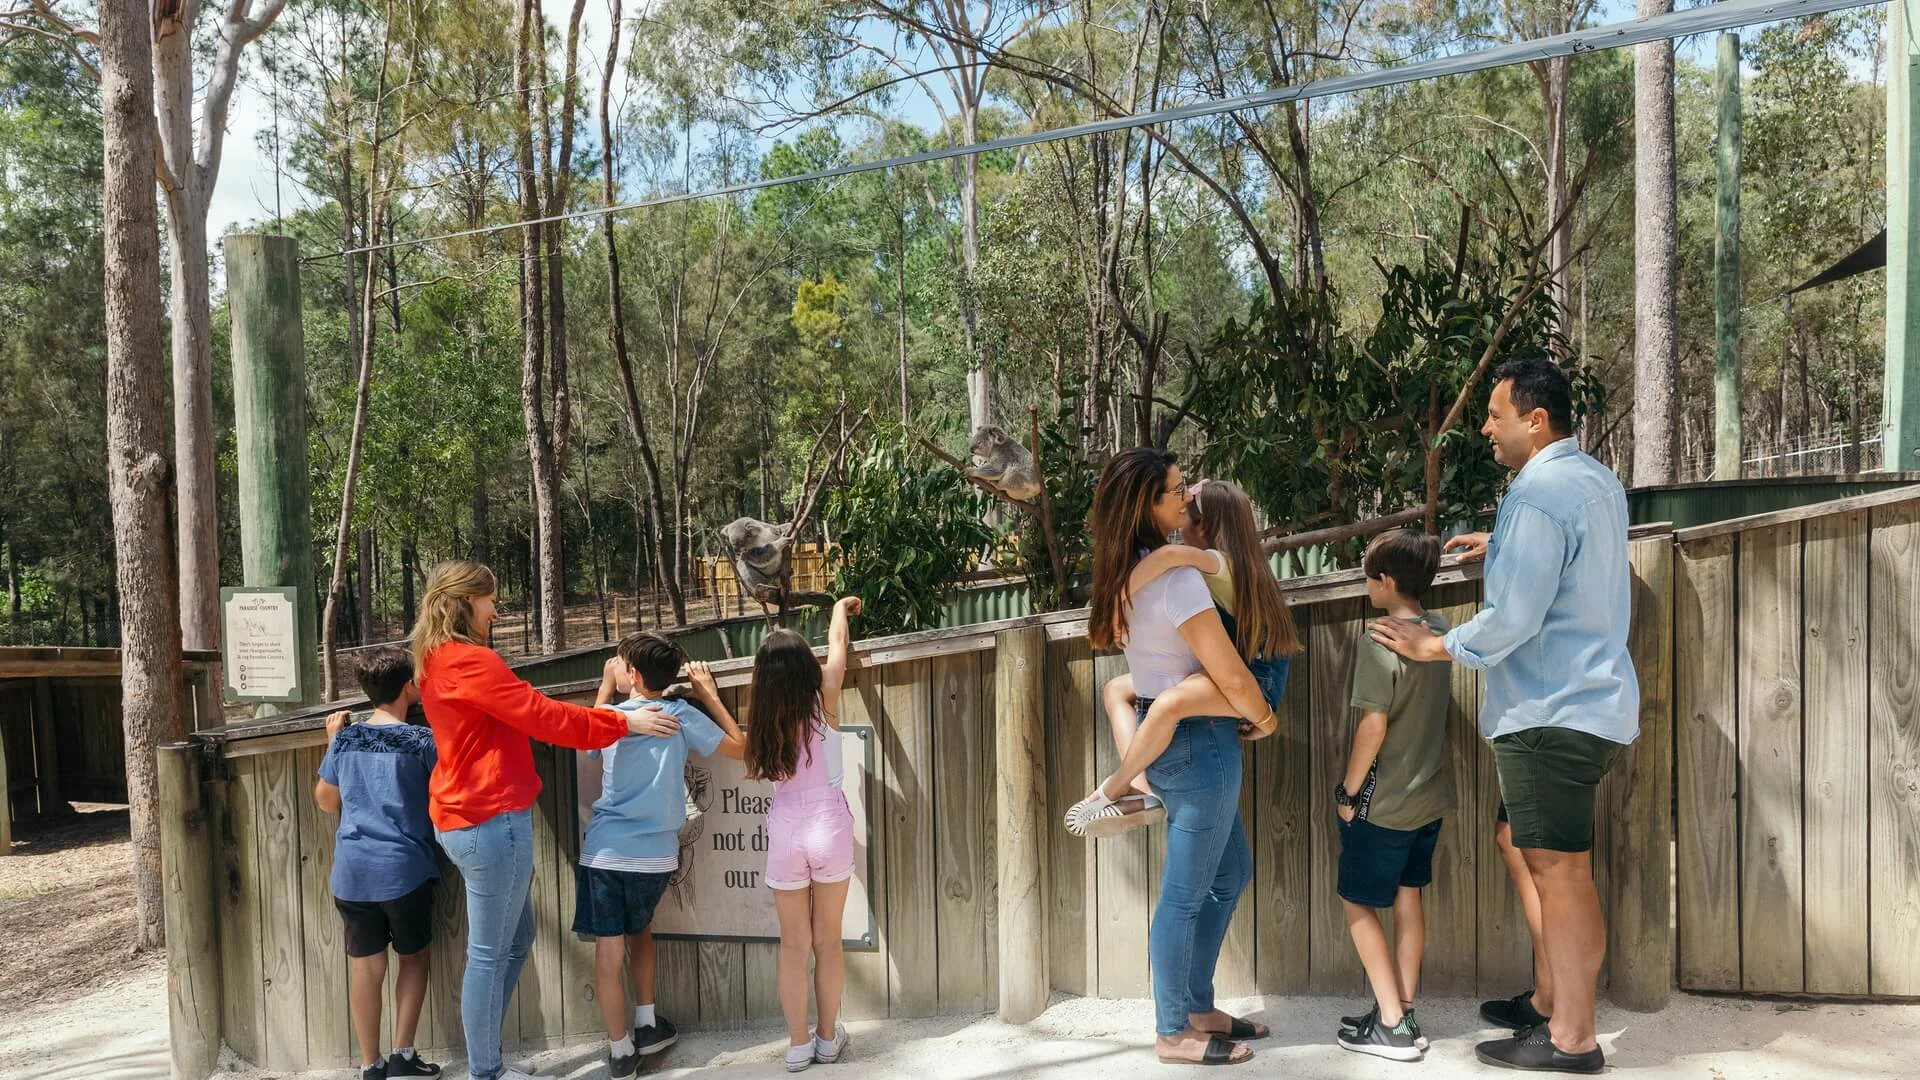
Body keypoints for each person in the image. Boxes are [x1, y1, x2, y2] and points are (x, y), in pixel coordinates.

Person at [1370, 358, 1638, 1075]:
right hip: (1583, 703)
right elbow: (1570, 561)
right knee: (1517, 840)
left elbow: (1514, 614)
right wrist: (1506, 545)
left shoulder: (1539, 494)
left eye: (1495, 414)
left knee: (1560, 870)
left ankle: (1572, 1039)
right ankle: (1552, 999)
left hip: (1551, 709)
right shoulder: (1592, 481)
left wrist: (1437, 645)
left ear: (1535, 420)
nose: (1485, 426)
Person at [410, 561, 672, 1080]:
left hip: (464, 818)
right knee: (487, 955)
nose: (495, 609)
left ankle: (488, 1057)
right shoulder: (470, 661)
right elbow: (545, 718)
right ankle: (487, 1071)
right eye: (489, 599)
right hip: (490, 821)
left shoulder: (435, 659)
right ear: (465, 601)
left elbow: (512, 711)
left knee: (517, 936)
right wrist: (624, 721)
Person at [1076, 448, 1277, 1067]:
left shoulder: (1135, 572)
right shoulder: (1179, 581)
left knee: (1229, 874)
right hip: (1201, 748)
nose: (1186, 496)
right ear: (1147, 506)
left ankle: (1197, 1006)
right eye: (1174, 490)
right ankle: (1172, 1032)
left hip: (1179, 740)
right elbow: (1233, 676)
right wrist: (1265, 719)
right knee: (1184, 897)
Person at [1066, 478, 1301, 838]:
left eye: (1186, 515)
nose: (1179, 519)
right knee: (1116, 690)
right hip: (1247, 674)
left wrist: (1115, 600)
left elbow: (1165, 557)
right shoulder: (1241, 565)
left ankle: (1113, 789)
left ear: (1204, 527)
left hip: (1256, 683)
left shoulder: (1217, 562)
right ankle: (1144, 789)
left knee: (1166, 705)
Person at [577, 633, 744, 1079]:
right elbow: (740, 748)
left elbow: (585, 746)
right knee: (642, 930)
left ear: (631, 674)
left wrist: (605, 690)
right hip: (656, 858)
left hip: (607, 854)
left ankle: (619, 1053)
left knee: (608, 957)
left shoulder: (611, 716)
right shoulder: (681, 714)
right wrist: (708, 694)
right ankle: (648, 1024)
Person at [1332, 530, 1451, 1061]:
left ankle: (1390, 1023)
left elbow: (1372, 726)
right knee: (1408, 895)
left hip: (1385, 802)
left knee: (1357, 902)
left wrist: (1348, 791)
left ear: (1385, 581)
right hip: (1428, 799)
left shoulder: (1378, 637)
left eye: (1367, 573)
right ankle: (1400, 1010)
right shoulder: (1439, 629)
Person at [741, 596, 862, 1072]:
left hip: (786, 831)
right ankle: (829, 1039)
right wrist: (837, 610)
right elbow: (838, 648)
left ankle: (797, 1045)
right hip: (829, 826)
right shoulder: (824, 697)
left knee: (793, 946)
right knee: (828, 941)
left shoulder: (764, 721)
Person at [312, 647, 442, 1080]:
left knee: (366, 967)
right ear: (409, 687)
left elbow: (327, 801)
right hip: (404, 870)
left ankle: (371, 1064)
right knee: (414, 958)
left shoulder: (346, 740)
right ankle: (403, 1056)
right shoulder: (422, 741)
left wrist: (334, 745)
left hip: (351, 873)